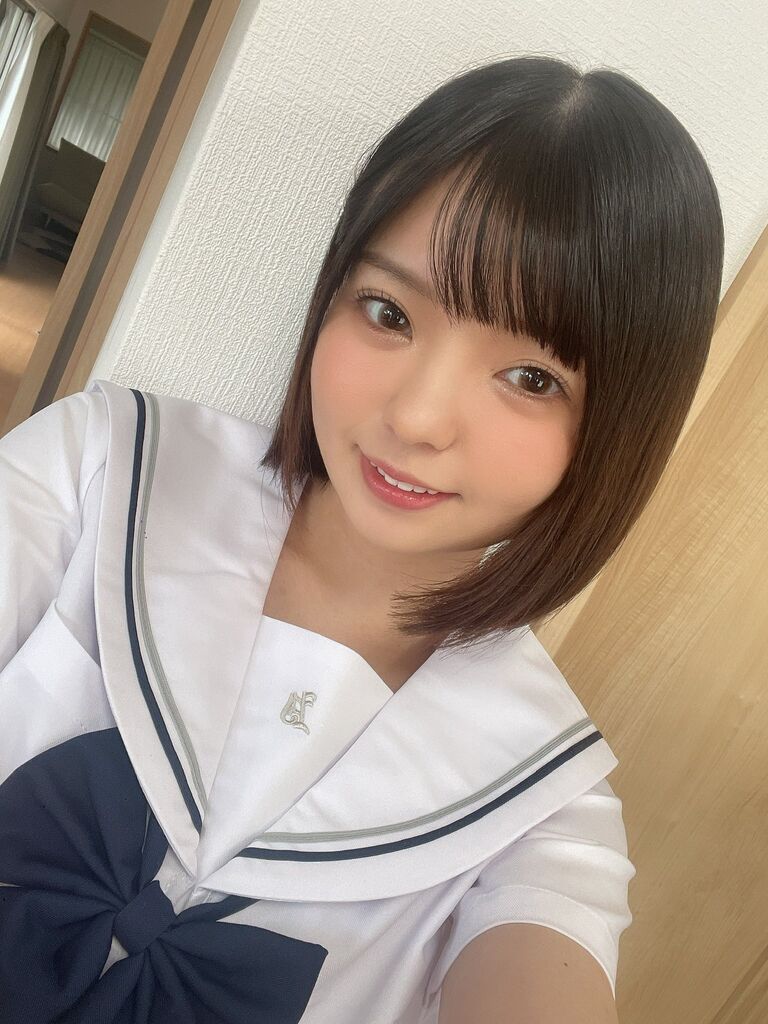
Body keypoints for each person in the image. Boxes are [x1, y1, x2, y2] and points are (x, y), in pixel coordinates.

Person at [0, 54, 723, 1024]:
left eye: (531, 378)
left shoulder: (545, 803)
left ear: (617, 429)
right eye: (388, 313)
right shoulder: (102, 466)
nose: (418, 417)